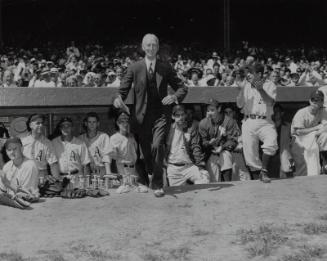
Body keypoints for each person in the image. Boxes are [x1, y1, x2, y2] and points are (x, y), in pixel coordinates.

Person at [113, 33, 188, 197]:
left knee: (158, 145)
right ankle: (147, 174)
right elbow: (123, 89)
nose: (151, 48)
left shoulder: (165, 67)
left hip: (161, 114)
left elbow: (182, 87)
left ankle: (158, 184)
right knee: (145, 152)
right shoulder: (135, 67)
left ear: (158, 47)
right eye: (148, 45)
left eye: (154, 45)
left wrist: (174, 96)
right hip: (141, 117)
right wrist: (118, 98)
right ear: (143, 47)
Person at [236, 63, 278, 183]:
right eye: (248, 72)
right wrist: (241, 88)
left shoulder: (270, 85)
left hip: (265, 121)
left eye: (252, 73)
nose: (249, 75)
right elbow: (239, 105)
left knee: (271, 142)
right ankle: (258, 177)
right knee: (250, 155)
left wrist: (261, 90)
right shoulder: (246, 85)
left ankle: (264, 171)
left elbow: (270, 102)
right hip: (249, 120)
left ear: (259, 74)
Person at [165, 105, 209, 186]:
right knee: (180, 195)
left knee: (204, 178)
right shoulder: (167, 130)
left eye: (182, 115)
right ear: (172, 116)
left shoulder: (191, 128)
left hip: (189, 166)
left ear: (185, 115)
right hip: (173, 168)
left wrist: (201, 167)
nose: (180, 117)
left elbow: (196, 147)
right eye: (177, 115)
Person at [199, 99, 240, 182]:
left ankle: (228, 182)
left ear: (219, 109)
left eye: (212, 110)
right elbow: (202, 142)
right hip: (210, 153)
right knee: (213, 179)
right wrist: (209, 143)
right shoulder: (203, 123)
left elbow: (233, 140)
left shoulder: (229, 121)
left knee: (225, 155)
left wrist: (222, 147)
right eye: (208, 110)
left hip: (227, 151)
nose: (210, 112)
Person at [108, 110, 146, 193]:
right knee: (122, 193)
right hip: (122, 171)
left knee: (143, 191)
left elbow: (138, 156)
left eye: (127, 121)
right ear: (117, 123)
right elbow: (111, 158)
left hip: (134, 172)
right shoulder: (113, 138)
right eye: (122, 121)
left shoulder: (132, 137)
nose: (125, 124)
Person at [290, 90, 327, 176]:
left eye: (320, 100)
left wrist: (320, 129)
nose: (317, 102)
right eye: (314, 100)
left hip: (313, 139)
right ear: (310, 101)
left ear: (322, 101)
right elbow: (298, 132)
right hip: (298, 140)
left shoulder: (323, 110)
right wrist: (316, 128)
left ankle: (325, 162)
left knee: (325, 134)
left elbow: (325, 126)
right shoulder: (301, 113)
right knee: (303, 171)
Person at [0, 138, 39, 205]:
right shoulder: (7, 166)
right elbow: (2, 190)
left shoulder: (30, 165)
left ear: (22, 149)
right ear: (6, 152)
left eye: (15, 149)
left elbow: (26, 195)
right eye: (9, 150)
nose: (12, 152)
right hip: (11, 204)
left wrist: (7, 183)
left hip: (28, 206)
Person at [21, 114, 60, 181]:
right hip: (25, 177)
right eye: (38, 123)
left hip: (41, 178)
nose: (41, 125)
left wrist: (56, 181)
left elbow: (53, 163)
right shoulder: (22, 141)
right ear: (30, 125)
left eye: (42, 123)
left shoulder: (47, 143)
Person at [79, 112, 111, 177]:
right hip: (86, 171)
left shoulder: (104, 137)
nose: (92, 124)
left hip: (100, 170)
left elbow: (107, 156)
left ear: (98, 123)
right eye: (89, 122)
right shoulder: (80, 139)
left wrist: (108, 173)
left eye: (94, 122)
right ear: (86, 124)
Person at [268, 104, 295, 178]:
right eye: (273, 111)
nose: (274, 113)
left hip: (287, 157)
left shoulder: (289, 126)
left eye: (277, 111)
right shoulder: (267, 127)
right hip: (272, 159)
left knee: (290, 179)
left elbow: (295, 140)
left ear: (282, 113)